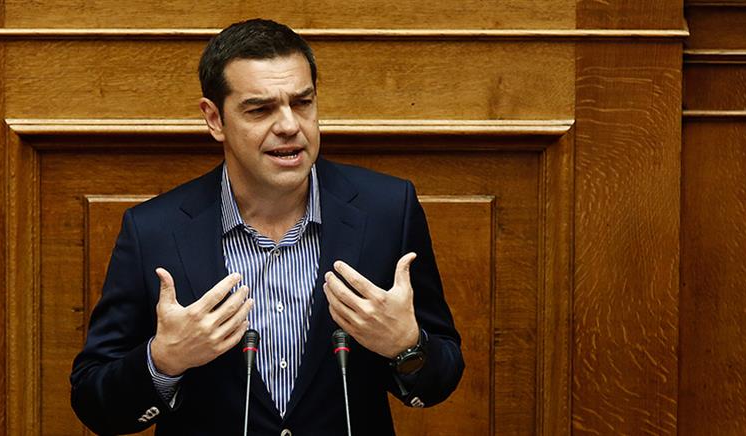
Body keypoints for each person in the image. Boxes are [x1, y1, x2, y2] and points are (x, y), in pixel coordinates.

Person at [70, 18, 464, 435]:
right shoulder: (153, 231)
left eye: (302, 102)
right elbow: (94, 400)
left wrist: (406, 346)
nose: (289, 125)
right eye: (260, 109)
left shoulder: (388, 210)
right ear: (215, 119)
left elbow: (440, 377)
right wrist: (165, 360)